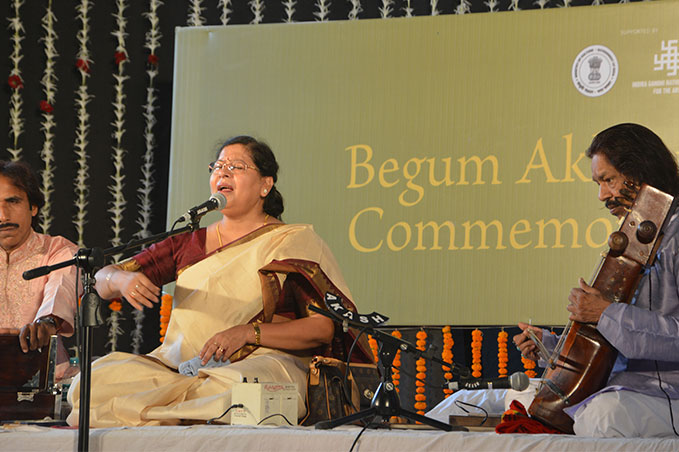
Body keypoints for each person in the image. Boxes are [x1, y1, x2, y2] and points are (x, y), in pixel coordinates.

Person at [67, 136, 372, 427]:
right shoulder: (188, 242)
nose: (223, 173)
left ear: (265, 185)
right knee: (91, 381)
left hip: (261, 363)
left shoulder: (292, 242)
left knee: (236, 390)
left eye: (236, 166)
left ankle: (154, 412)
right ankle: (173, 412)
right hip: (180, 369)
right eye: (218, 166)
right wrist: (119, 278)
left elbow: (322, 329)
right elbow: (100, 280)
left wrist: (248, 333)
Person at [514, 123, 679, 437]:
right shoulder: (637, 240)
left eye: (608, 180)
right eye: (598, 183)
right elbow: (619, 345)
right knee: (513, 400)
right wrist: (550, 348)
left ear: (640, 172)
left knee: (602, 418)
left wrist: (605, 313)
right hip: (630, 389)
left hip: (668, 393)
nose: (602, 195)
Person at [0, 160, 79, 379]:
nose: (3, 216)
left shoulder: (57, 251)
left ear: (33, 207)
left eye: (13, 201)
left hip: (48, 381)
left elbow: (62, 285)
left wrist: (47, 322)